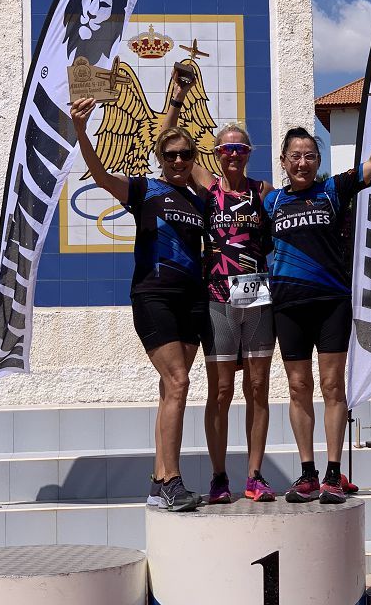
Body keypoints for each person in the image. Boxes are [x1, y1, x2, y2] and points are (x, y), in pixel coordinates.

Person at [71, 95, 205, 512]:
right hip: (153, 294)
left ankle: (157, 483)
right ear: (160, 157)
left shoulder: (200, 198)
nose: (178, 160)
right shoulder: (144, 189)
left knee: (171, 389)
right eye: (171, 154)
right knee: (179, 383)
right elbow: (99, 173)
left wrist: (179, 103)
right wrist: (81, 128)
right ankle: (172, 480)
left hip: (192, 299)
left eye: (185, 154)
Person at [264, 99, 371, 503]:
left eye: (309, 155)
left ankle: (333, 473)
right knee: (298, 386)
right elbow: (215, 182)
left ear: (317, 159)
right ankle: (306, 473)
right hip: (288, 305)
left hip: (331, 303)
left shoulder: (333, 190)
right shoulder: (270, 201)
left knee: (331, 385)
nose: (302, 162)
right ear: (283, 161)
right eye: (295, 156)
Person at [161, 71, 277, 503]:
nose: (234, 155)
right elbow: (166, 143)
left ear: (249, 154)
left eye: (240, 149)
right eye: (226, 149)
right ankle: (218, 476)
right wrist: (176, 100)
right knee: (222, 390)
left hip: (259, 301)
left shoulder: (264, 191)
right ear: (215, 154)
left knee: (259, 388)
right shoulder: (208, 188)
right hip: (217, 299)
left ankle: (255, 474)